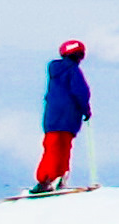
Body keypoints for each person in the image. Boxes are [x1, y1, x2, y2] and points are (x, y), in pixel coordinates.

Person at [31, 39, 91, 193]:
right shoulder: (73, 71)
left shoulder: (54, 71)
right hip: (69, 116)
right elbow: (81, 92)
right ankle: (57, 177)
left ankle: (45, 178)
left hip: (52, 116)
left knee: (50, 146)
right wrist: (86, 110)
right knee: (64, 147)